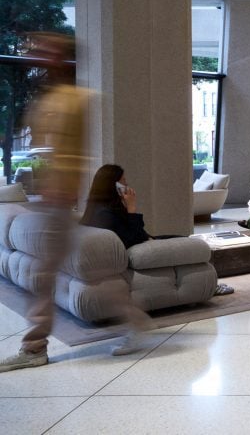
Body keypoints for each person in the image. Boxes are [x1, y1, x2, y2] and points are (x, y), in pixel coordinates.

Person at [0, 33, 96, 372]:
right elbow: (45, 150)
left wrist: (64, 190)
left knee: (42, 275)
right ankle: (136, 321)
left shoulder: (77, 99)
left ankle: (34, 346)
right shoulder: (46, 98)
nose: (36, 54)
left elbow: (75, 153)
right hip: (46, 200)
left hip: (59, 202)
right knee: (50, 272)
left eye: (46, 50)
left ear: (61, 57)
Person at [81, 164, 235, 294]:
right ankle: (210, 286)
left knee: (182, 239)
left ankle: (206, 284)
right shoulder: (106, 213)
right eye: (124, 183)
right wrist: (132, 208)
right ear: (114, 186)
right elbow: (135, 237)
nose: (127, 186)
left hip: (144, 241)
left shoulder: (98, 209)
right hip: (139, 245)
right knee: (187, 242)